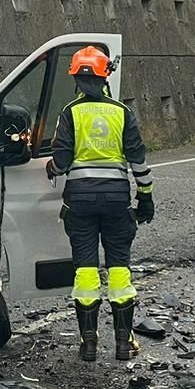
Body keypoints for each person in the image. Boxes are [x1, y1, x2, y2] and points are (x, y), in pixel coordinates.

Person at [47, 46, 155, 363]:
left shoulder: (69, 113)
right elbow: (138, 161)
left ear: (77, 80)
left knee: (85, 269)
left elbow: (62, 162)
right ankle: (124, 344)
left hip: (79, 201)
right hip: (116, 200)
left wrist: (51, 167)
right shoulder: (122, 112)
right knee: (120, 268)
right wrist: (145, 196)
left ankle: (88, 344)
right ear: (105, 75)